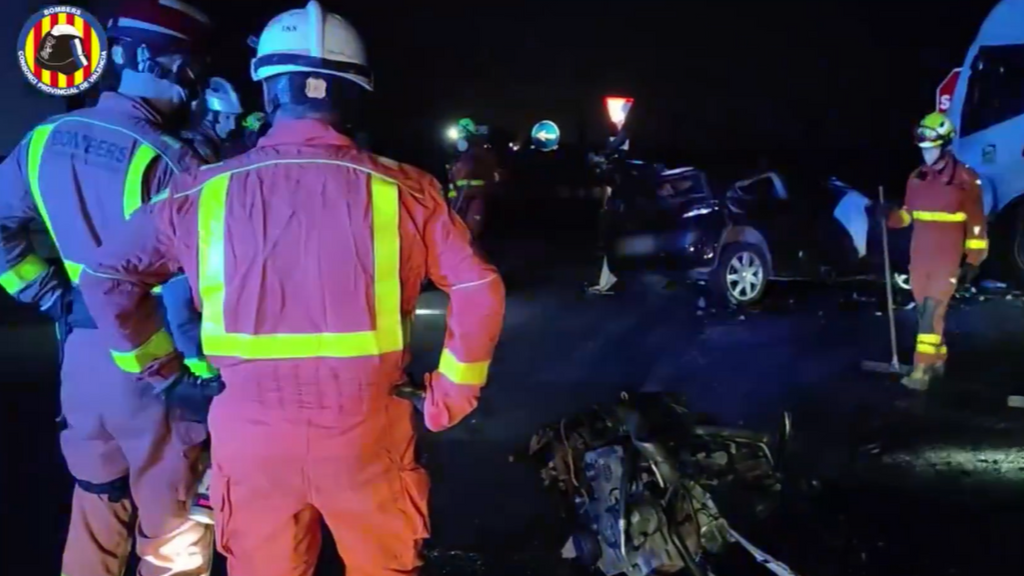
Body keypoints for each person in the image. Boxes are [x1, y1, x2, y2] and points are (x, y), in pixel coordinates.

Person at [78, 2, 506, 575]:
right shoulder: (408, 190)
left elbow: (105, 277)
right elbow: (479, 286)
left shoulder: (200, 191)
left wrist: (164, 373)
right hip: (370, 436)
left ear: (269, 91)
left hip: (250, 442)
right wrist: (450, 395)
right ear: (355, 93)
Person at [0, 2, 217, 574]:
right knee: (176, 535)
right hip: (157, 368)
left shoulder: (44, 139)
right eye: (191, 69)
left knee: (95, 515)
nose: (194, 89)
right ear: (155, 62)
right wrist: (199, 378)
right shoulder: (174, 160)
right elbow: (188, 290)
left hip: (81, 362)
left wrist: (48, 293)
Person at [886, 111, 987, 391]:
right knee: (924, 311)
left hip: (947, 256)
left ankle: (921, 370)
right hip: (920, 256)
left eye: (931, 147)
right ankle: (938, 356)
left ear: (944, 145)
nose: (926, 153)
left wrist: (974, 260)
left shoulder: (966, 179)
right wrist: (889, 216)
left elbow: (977, 223)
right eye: (923, 147)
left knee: (932, 310)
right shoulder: (916, 178)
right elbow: (908, 214)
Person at [449, 117, 500, 238]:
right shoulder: (462, 156)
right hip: (463, 196)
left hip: (473, 195)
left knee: (471, 230)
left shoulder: (477, 154)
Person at [181, 77, 244, 163]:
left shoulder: (207, 144)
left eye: (235, 118)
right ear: (212, 116)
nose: (232, 126)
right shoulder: (200, 150)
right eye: (227, 117)